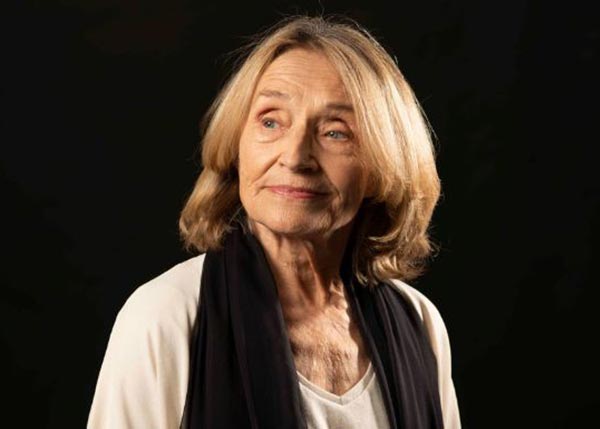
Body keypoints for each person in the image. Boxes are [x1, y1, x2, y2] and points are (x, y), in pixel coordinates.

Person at [87, 15, 461, 429]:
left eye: (336, 132)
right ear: (237, 146)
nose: (295, 157)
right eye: (270, 121)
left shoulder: (419, 322)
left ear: (383, 165)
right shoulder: (167, 317)